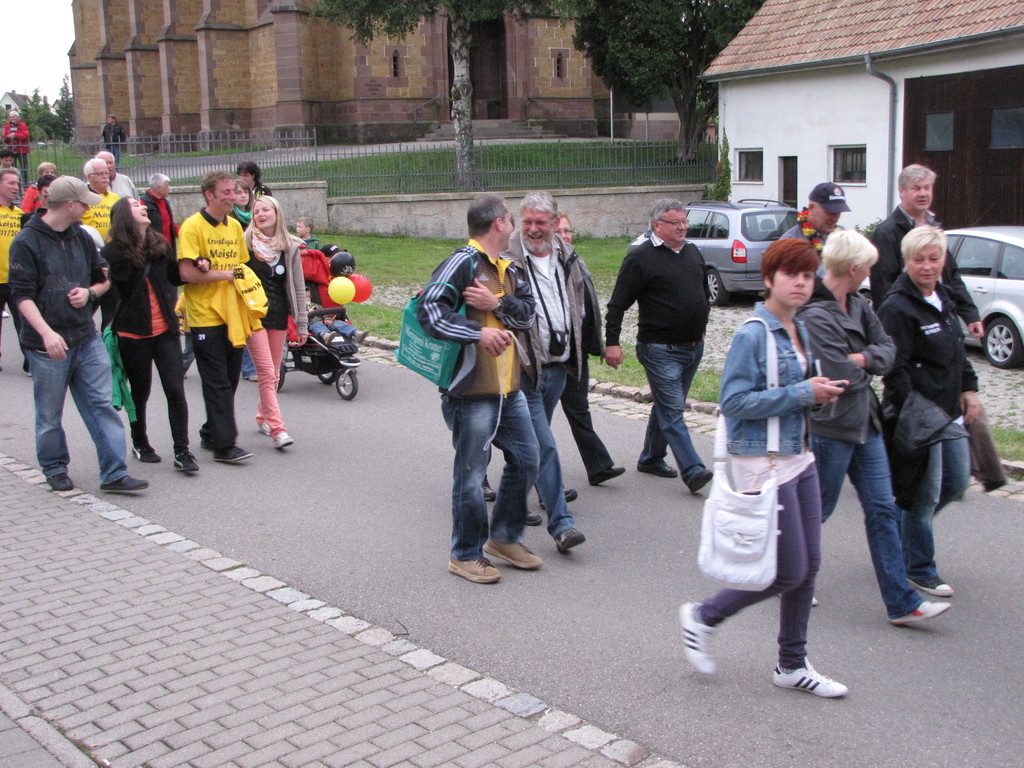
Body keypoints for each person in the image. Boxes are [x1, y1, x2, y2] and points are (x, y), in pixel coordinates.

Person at [679, 238, 847, 697]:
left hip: (799, 454)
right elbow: (733, 402)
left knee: (809, 565)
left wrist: (821, 393)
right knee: (787, 571)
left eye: (808, 275)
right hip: (763, 462)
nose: (801, 283)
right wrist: (803, 393)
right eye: (791, 274)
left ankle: (791, 664)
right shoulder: (752, 333)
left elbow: (798, 392)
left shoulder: (801, 328)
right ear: (769, 278)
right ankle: (704, 616)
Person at [798, 229, 951, 625]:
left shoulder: (859, 304)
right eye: (867, 266)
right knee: (817, 511)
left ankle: (902, 603)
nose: (871, 273)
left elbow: (888, 352)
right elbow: (838, 375)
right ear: (852, 268)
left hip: (867, 423)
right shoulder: (815, 313)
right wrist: (867, 361)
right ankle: (792, 576)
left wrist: (862, 359)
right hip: (831, 427)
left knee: (882, 509)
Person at [417, 194, 540, 584]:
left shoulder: (510, 267)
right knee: (471, 476)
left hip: (509, 389)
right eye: (512, 219)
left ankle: (503, 538)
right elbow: (428, 311)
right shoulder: (462, 262)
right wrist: (477, 332)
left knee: (528, 459)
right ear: (499, 223)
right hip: (471, 393)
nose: (515, 226)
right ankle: (465, 554)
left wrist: (496, 303)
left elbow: (528, 314)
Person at [8, 176, 148, 494]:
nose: (88, 208)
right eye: (85, 203)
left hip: (85, 338)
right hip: (46, 346)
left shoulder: (82, 237)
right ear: (70, 204)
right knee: (49, 413)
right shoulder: (27, 242)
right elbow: (22, 296)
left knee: (101, 404)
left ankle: (114, 473)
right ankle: (55, 467)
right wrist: (46, 334)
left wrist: (90, 292)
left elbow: (103, 278)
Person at [876, 226, 980, 599]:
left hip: (948, 411)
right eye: (918, 259)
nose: (927, 266)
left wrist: (969, 387)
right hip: (918, 416)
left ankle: (897, 538)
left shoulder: (942, 296)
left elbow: (956, 350)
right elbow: (894, 368)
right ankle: (919, 567)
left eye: (934, 259)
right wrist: (915, 410)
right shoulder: (896, 307)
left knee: (956, 482)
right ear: (906, 261)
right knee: (924, 494)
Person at [605, 199, 713, 493]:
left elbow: (703, 292)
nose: (682, 227)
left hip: (693, 346)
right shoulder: (641, 257)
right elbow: (617, 304)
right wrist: (612, 343)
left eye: (684, 221)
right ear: (656, 225)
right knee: (673, 410)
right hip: (659, 349)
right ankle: (692, 469)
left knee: (667, 406)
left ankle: (651, 458)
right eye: (675, 222)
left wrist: (701, 322)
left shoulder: (692, 252)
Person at [501, 192, 586, 553]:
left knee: (532, 445)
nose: (534, 229)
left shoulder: (567, 255)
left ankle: (512, 504)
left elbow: (580, 302)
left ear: (554, 223)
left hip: (559, 366)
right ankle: (562, 525)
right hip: (525, 369)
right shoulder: (505, 259)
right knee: (543, 444)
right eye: (528, 222)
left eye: (541, 223)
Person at [103, 197, 198, 473]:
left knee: (175, 389)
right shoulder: (112, 253)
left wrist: (198, 264)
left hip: (165, 330)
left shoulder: (159, 244)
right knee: (140, 391)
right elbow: (107, 293)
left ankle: (182, 450)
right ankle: (140, 441)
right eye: (135, 205)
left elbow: (175, 277)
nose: (143, 206)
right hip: (133, 332)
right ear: (123, 215)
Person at [177, 170, 255, 464]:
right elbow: (186, 273)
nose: (232, 197)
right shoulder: (192, 227)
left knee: (230, 379)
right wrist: (225, 275)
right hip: (204, 315)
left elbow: (242, 267)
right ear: (209, 195)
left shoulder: (234, 226)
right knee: (216, 381)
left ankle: (211, 432)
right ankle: (225, 446)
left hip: (232, 313)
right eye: (226, 192)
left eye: (234, 192)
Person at [869, 164, 983, 340]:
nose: (923, 193)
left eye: (927, 187)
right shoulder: (887, 233)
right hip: (910, 327)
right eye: (916, 188)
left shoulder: (934, 228)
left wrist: (970, 315)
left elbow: (951, 275)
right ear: (901, 191)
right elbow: (883, 286)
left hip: (941, 317)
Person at [555, 212, 624, 486]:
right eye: (559, 231)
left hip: (577, 351)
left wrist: (599, 344)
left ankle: (598, 466)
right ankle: (540, 480)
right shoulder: (543, 267)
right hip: (551, 355)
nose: (565, 236)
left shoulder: (576, 261)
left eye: (568, 230)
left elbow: (589, 307)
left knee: (579, 409)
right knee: (536, 420)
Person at [242, 196, 307, 449]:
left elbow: (299, 288)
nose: (260, 214)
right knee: (267, 373)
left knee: (273, 372)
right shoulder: (245, 243)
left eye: (265, 210)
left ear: (277, 213)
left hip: (279, 315)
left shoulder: (290, 246)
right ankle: (278, 429)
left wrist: (302, 324)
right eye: (256, 211)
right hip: (253, 317)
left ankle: (263, 417)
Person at [780, 182, 851, 257]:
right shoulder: (789, 244)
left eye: (838, 213)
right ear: (811, 208)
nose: (834, 219)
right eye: (830, 212)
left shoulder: (843, 237)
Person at [0, 168, 24, 373]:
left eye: (17, 183)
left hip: (16, 278)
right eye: (11, 183)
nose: (16, 187)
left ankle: (31, 360)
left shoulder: (20, 215)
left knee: (24, 322)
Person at [80, 158, 119, 241]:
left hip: (113, 244)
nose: (105, 177)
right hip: (90, 243)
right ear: (89, 177)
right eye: (100, 173)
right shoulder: (82, 198)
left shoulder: (115, 197)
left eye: (107, 173)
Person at [140, 173, 177, 253]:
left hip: (168, 249)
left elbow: (170, 224)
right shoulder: (143, 203)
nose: (169, 188)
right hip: (153, 250)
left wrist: (183, 232)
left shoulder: (165, 202)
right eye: (166, 186)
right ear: (158, 188)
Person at [2, 110, 30, 180]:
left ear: (17, 117)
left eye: (13, 117)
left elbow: (25, 135)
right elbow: (5, 136)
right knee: (12, 167)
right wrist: (7, 137)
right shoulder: (7, 125)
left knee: (24, 167)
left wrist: (15, 135)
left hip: (21, 149)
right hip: (11, 149)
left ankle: (25, 181)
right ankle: (14, 180)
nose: (12, 118)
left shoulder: (22, 125)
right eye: (10, 117)